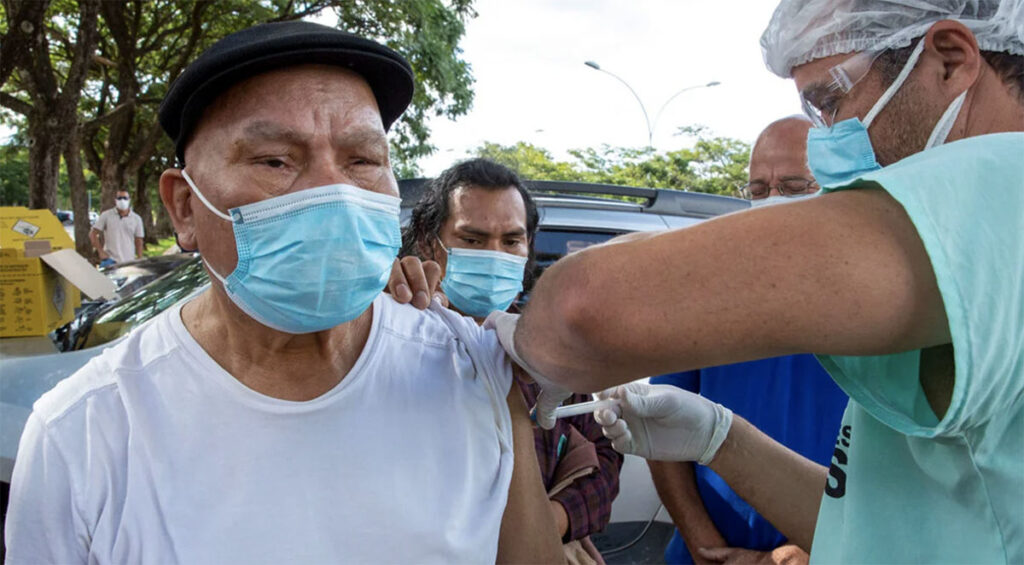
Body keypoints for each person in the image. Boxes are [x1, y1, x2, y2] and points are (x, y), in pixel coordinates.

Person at [398, 2, 1023, 562]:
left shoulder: (1000, 186)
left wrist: (527, 339)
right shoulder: (970, 259)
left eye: (832, 103)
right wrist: (721, 439)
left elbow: (583, 308)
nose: (827, 140)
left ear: (949, 60)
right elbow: (870, 526)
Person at [4, 21, 564, 564]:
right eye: (276, 161)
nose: (336, 192)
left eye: (363, 160)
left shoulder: (468, 367)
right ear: (183, 207)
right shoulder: (84, 432)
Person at [399, 158, 624, 564]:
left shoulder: (545, 346)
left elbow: (604, 460)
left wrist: (544, 522)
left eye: (511, 241)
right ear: (433, 244)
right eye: (473, 239)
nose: (494, 255)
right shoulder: (399, 333)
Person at [647, 117, 847, 565]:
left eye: (794, 186)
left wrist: (814, 549)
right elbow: (661, 427)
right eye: (758, 191)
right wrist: (703, 546)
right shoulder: (705, 294)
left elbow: (913, 459)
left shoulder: (880, 302)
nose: (773, 201)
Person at [89, 189, 145, 266]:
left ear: (129, 200)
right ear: (115, 200)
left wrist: (139, 258)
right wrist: (100, 251)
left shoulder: (136, 218)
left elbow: (139, 240)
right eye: (119, 198)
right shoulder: (106, 215)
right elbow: (93, 233)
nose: (122, 200)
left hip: (129, 261)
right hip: (110, 260)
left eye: (125, 198)